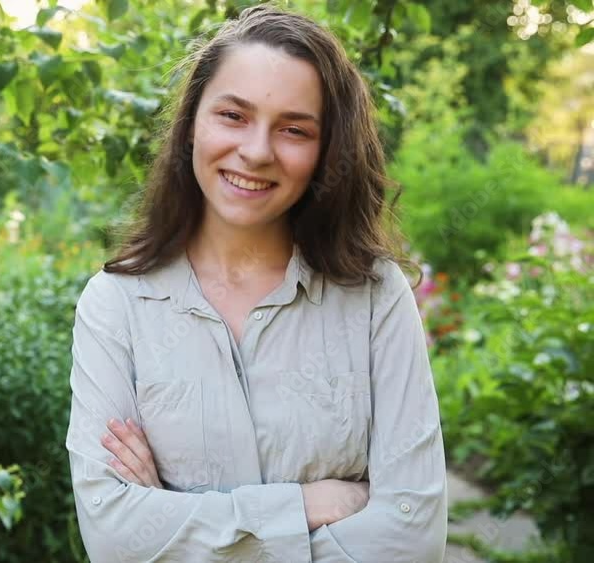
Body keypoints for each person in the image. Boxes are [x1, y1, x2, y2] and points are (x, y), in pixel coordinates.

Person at [64, 4, 448, 562]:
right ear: (190, 125)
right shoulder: (116, 304)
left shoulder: (375, 297)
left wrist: (174, 514)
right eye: (233, 115)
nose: (257, 151)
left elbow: (412, 541)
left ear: (326, 151)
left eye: (294, 129)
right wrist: (304, 507)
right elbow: (114, 538)